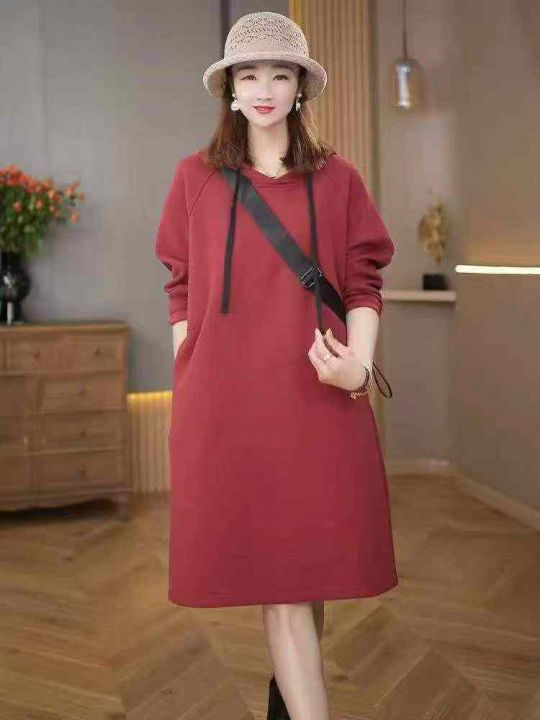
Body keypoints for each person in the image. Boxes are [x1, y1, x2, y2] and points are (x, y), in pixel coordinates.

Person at [154, 11, 399, 720]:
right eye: (250, 75)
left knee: (305, 572)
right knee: (285, 589)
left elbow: (363, 283)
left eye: (280, 74)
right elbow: (180, 285)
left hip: (319, 400)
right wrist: (193, 366)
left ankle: (287, 704)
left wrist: (358, 367)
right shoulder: (195, 178)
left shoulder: (340, 179)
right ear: (231, 88)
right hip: (228, 410)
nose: (264, 89)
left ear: (300, 88)